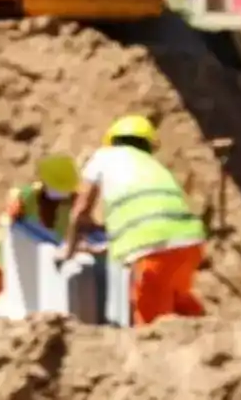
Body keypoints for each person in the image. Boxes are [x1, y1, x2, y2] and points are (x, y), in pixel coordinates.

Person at [56, 115, 208, 326]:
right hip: (190, 245)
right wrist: (103, 247)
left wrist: (68, 250)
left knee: (151, 327)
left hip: (154, 251)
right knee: (176, 302)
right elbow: (144, 223)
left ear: (112, 140)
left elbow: (80, 211)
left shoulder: (103, 157)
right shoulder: (155, 167)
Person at [0, 154, 82, 306]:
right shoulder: (27, 196)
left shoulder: (74, 200)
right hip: (19, 249)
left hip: (51, 251)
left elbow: (79, 224)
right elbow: (10, 223)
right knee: (0, 280)